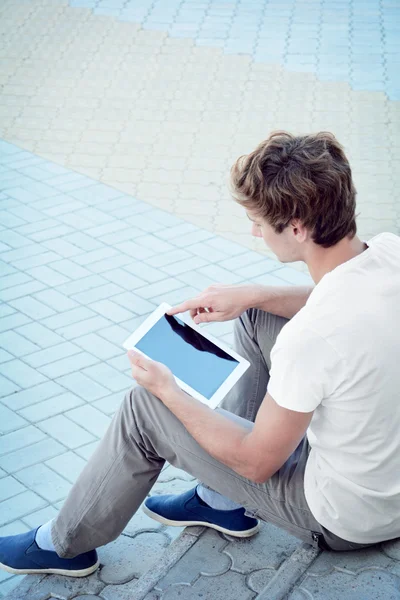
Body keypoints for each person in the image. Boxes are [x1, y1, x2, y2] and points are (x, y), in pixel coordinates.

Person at [1, 131, 399, 578]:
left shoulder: (310, 339)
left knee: (144, 407)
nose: (254, 231)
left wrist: (169, 393)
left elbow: (257, 461)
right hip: (386, 481)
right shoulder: (390, 251)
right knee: (257, 314)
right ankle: (221, 501)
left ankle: (65, 544)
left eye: (259, 221)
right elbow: (341, 305)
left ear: (296, 228)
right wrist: (254, 294)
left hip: (347, 518)